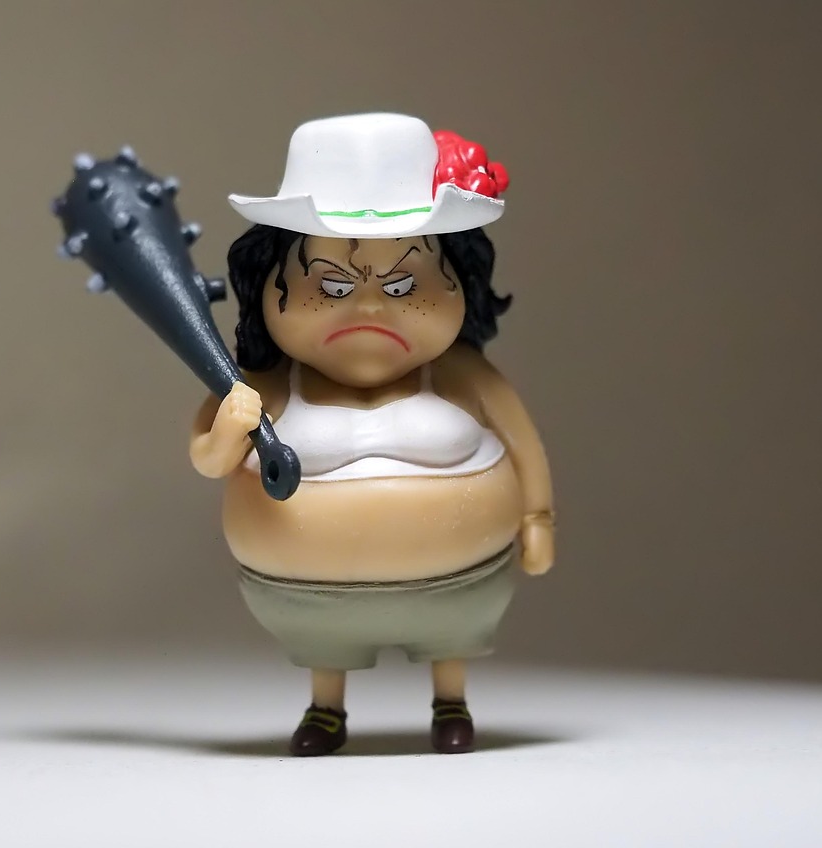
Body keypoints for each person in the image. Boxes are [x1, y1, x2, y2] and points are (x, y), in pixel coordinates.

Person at [188, 113, 555, 756]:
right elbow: (208, 459)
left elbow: (521, 437)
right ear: (267, 284)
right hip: (304, 595)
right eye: (331, 285)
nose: (369, 307)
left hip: (464, 583)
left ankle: (451, 697)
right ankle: (325, 706)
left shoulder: (461, 374)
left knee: (451, 645)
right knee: (326, 652)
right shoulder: (267, 383)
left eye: (404, 284)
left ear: (458, 281)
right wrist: (228, 431)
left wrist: (538, 518)